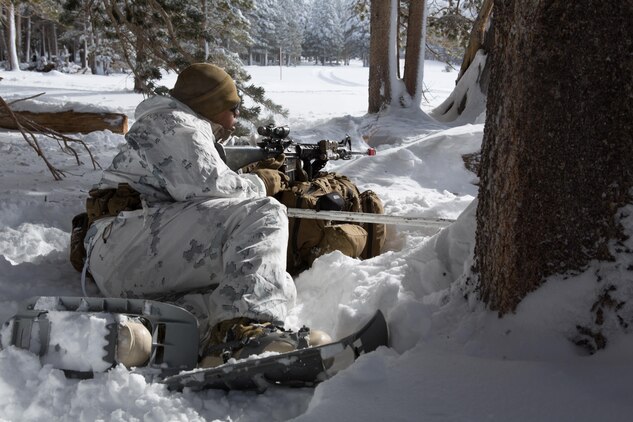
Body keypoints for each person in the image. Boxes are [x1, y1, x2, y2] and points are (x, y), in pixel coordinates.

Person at [83, 63, 324, 366]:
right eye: (233, 107)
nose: (237, 119)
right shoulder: (172, 123)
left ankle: (166, 338)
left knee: (267, 283)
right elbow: (208, 189)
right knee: (265, 213)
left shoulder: (179, 126)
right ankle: (245, 334)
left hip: (130, 255)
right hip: (123, 244)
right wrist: (264, 181)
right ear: (210, 102)